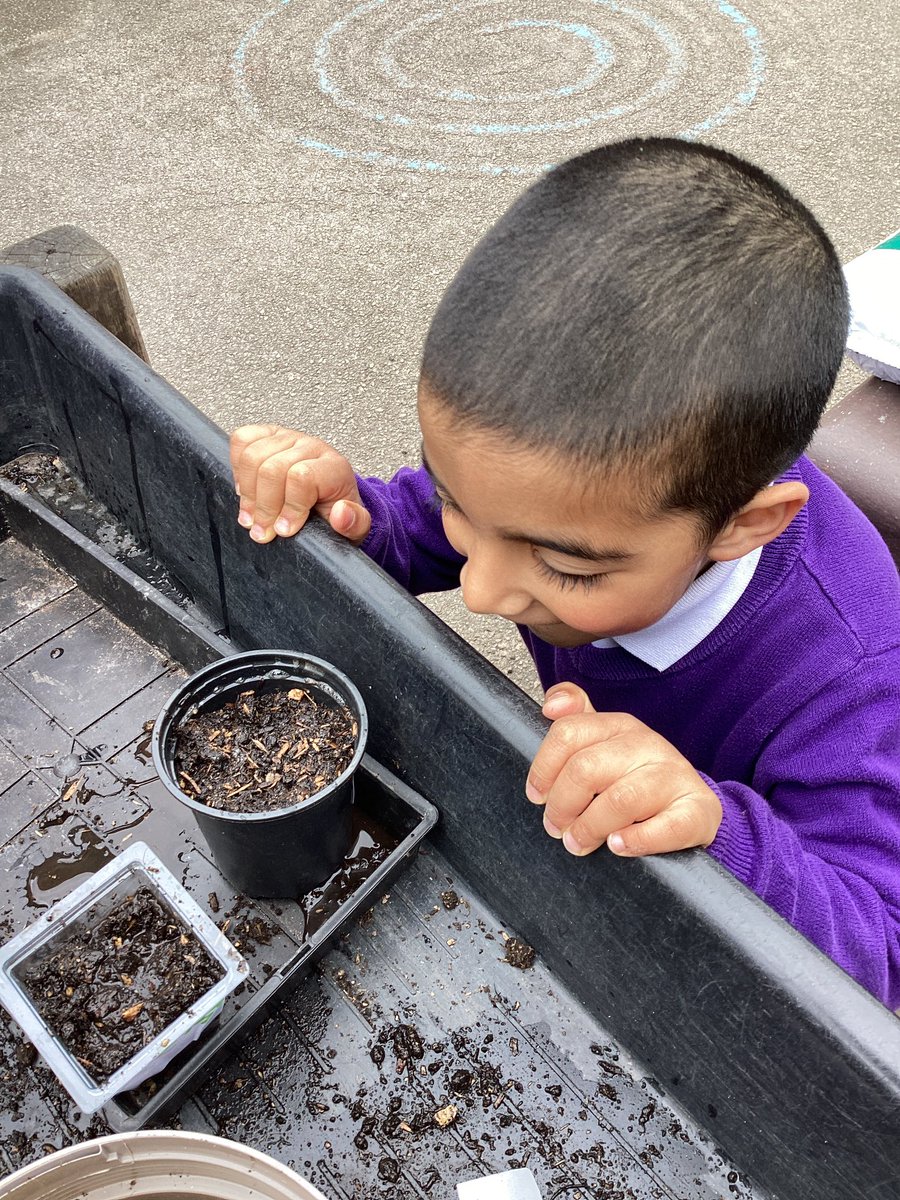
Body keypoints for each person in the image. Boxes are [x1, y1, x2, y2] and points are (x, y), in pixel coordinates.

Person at [230, 137, 900, 1007]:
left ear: (742, 527)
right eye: (458, 502)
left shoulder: (851, 682)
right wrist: (351, 513)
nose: (481, 591)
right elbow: (423, 528)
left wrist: (717, 827)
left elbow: (880, 950)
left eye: (564, 569)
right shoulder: (549, 499)